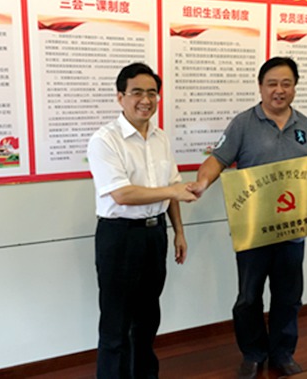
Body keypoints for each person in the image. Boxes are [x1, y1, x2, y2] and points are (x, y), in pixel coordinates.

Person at [188, 57, 307, 378]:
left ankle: (283, 354)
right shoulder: (243, 124)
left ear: (295, 87)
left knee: (289, 296)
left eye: (286, 83)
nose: (279, 90)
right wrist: (201, 183)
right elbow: (217, 159)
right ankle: (253, 353)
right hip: (253, 230)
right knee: (249, 298)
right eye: (272, 83)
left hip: (293, 228)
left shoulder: (304, 125)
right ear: (260, 87)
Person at [87, 62, 197, 379]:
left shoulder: (160, 137)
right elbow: (122, 194)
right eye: (137, 92)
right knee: (116, 323)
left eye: (152, 93)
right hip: (120, 236)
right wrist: (172, 191)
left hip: (154, 234)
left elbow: (173, 187)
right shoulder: (105, 140)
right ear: (120, 97)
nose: (145, 100)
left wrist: (178, 232)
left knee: (148, 318)